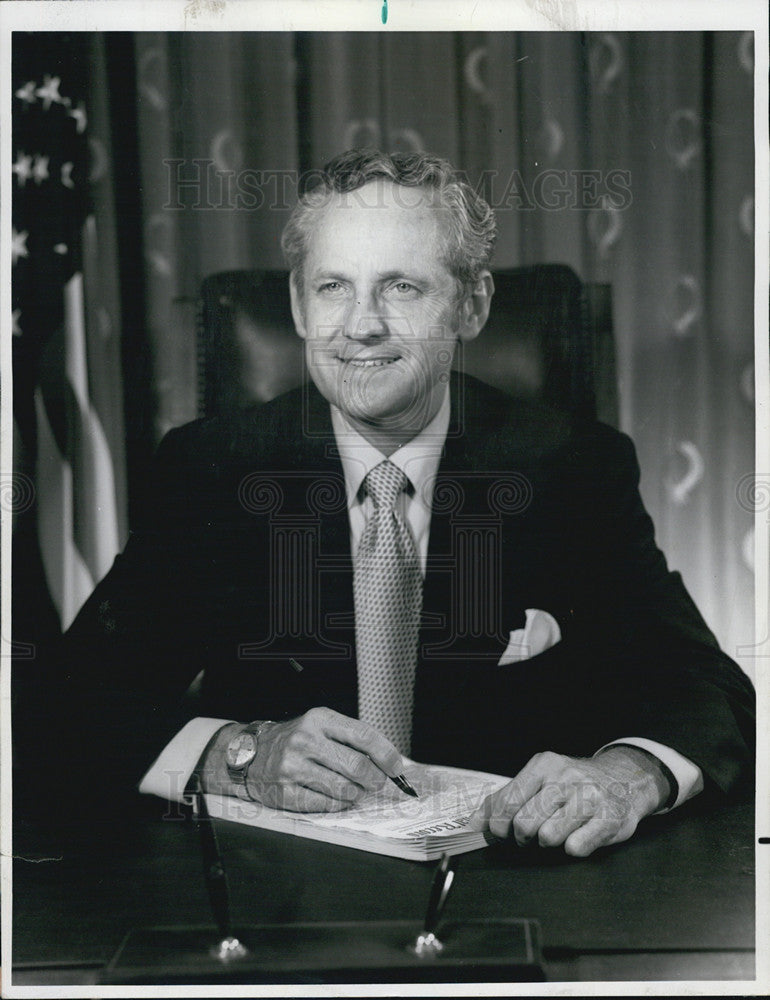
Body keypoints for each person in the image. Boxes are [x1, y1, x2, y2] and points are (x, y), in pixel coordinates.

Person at [47, 149, 754, 858]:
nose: (361, 325)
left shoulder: (572, 467)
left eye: (402, 288)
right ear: (298, 304)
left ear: (471, 304)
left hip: (506, 879)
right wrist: (235, 754)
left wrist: (625, 776)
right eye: (332, 287)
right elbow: (69, 702)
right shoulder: (211, 468)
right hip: (278, 883)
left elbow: (707, 688)